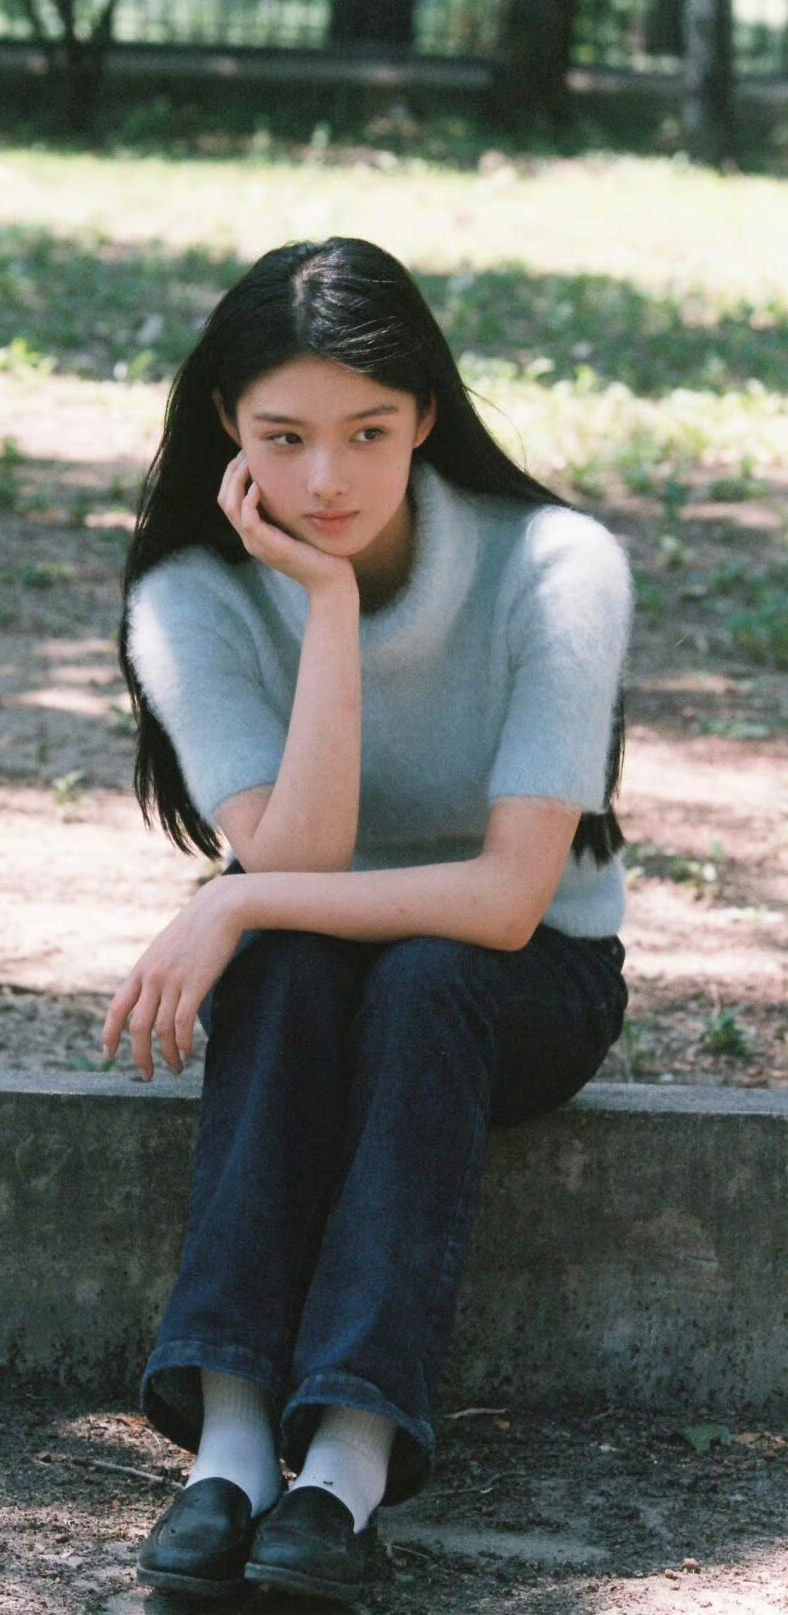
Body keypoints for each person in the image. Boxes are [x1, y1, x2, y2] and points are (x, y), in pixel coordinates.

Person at [102, 237, 631, 1604]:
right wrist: (327, 607)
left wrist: (235, 896)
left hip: (524, 983)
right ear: (228, 427)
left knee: (414, 973)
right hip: (318, 980)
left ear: (428, 418)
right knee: (287, 962)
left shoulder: (558, 567)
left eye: (368, 433)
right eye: (284, 437)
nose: (326, 479)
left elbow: (508, 903)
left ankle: (346, 1462)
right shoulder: (188, 596)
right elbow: (305, 857)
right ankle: (228, 1450)